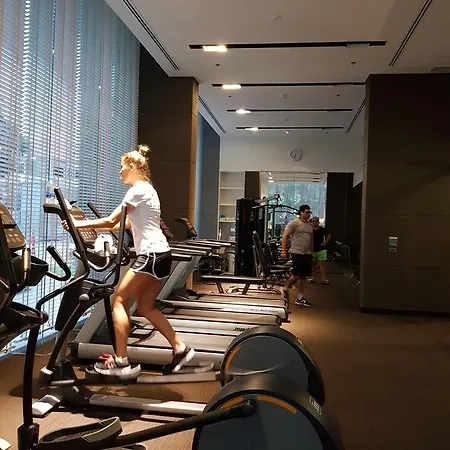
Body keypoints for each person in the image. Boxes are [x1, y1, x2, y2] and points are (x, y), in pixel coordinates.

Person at [62, 145, 194, 379]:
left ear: (132, 166)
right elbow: (125, 224)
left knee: (119, 302)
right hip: (162, 254)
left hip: (151, 254)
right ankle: (180, 348)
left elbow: (112, 220)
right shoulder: (149, 190)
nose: (119, 171)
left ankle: (121, 361)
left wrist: (78, 224)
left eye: (121, 167)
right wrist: (87, 227)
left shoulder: (137, 190)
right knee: (146, 307)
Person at [280, 205, 313, 307]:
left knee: (303, 276)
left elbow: (311, 239)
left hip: (307, 253)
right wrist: (283, 251)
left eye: (309, 212)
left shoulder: (309, 225)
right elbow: (285, 236)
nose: (308, 214)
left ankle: (300, 297)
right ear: (301, 212)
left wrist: (312, 252)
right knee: (297, 274)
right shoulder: (294, 223)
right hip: (297, 252)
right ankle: (285, 287)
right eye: (306, 212)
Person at [309, 217, 331, 285]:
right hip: (312, 249)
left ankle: (323, 279)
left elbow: (329, 235)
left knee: (322, 264)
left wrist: (325, 243)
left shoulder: (322, 229)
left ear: (318, 222)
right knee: (313, 264)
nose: (314, 223)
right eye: (313, 221)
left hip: (321, 249)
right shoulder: (310, 230)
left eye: (315, 221)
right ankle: (312, 278)